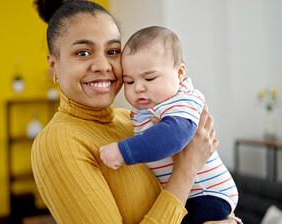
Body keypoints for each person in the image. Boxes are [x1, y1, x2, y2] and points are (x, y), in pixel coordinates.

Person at [31, 0, 239, 223]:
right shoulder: (58, 142)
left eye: (112, 51)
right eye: (83, 53)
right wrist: (187, 170)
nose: (103, 65)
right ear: (53, 64)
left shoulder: (133, 120)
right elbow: (182, 181)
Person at [99, 26, 239, 224]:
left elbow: (173, 136)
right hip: (188, 194)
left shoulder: (181, 100)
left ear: (180, 73)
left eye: (149, 78)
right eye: (129, 82)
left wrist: (123, 151)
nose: (138, 88)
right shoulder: (149, 108)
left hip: (206, 194)